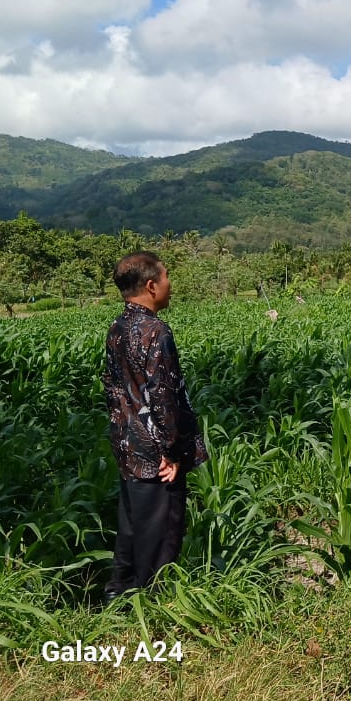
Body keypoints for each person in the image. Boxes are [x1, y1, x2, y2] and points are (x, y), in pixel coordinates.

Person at [102, 252, 207, 602]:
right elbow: (163, 397)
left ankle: (118, 596)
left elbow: (115, 391)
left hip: (127, 446)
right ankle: (150, 608)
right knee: (161, 536)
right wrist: (173, 452)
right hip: (156, 456)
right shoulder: (156, 332)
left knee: (132, 530)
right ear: (151, 285)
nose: (169, 284)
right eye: (166, 277)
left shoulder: (116, 329)